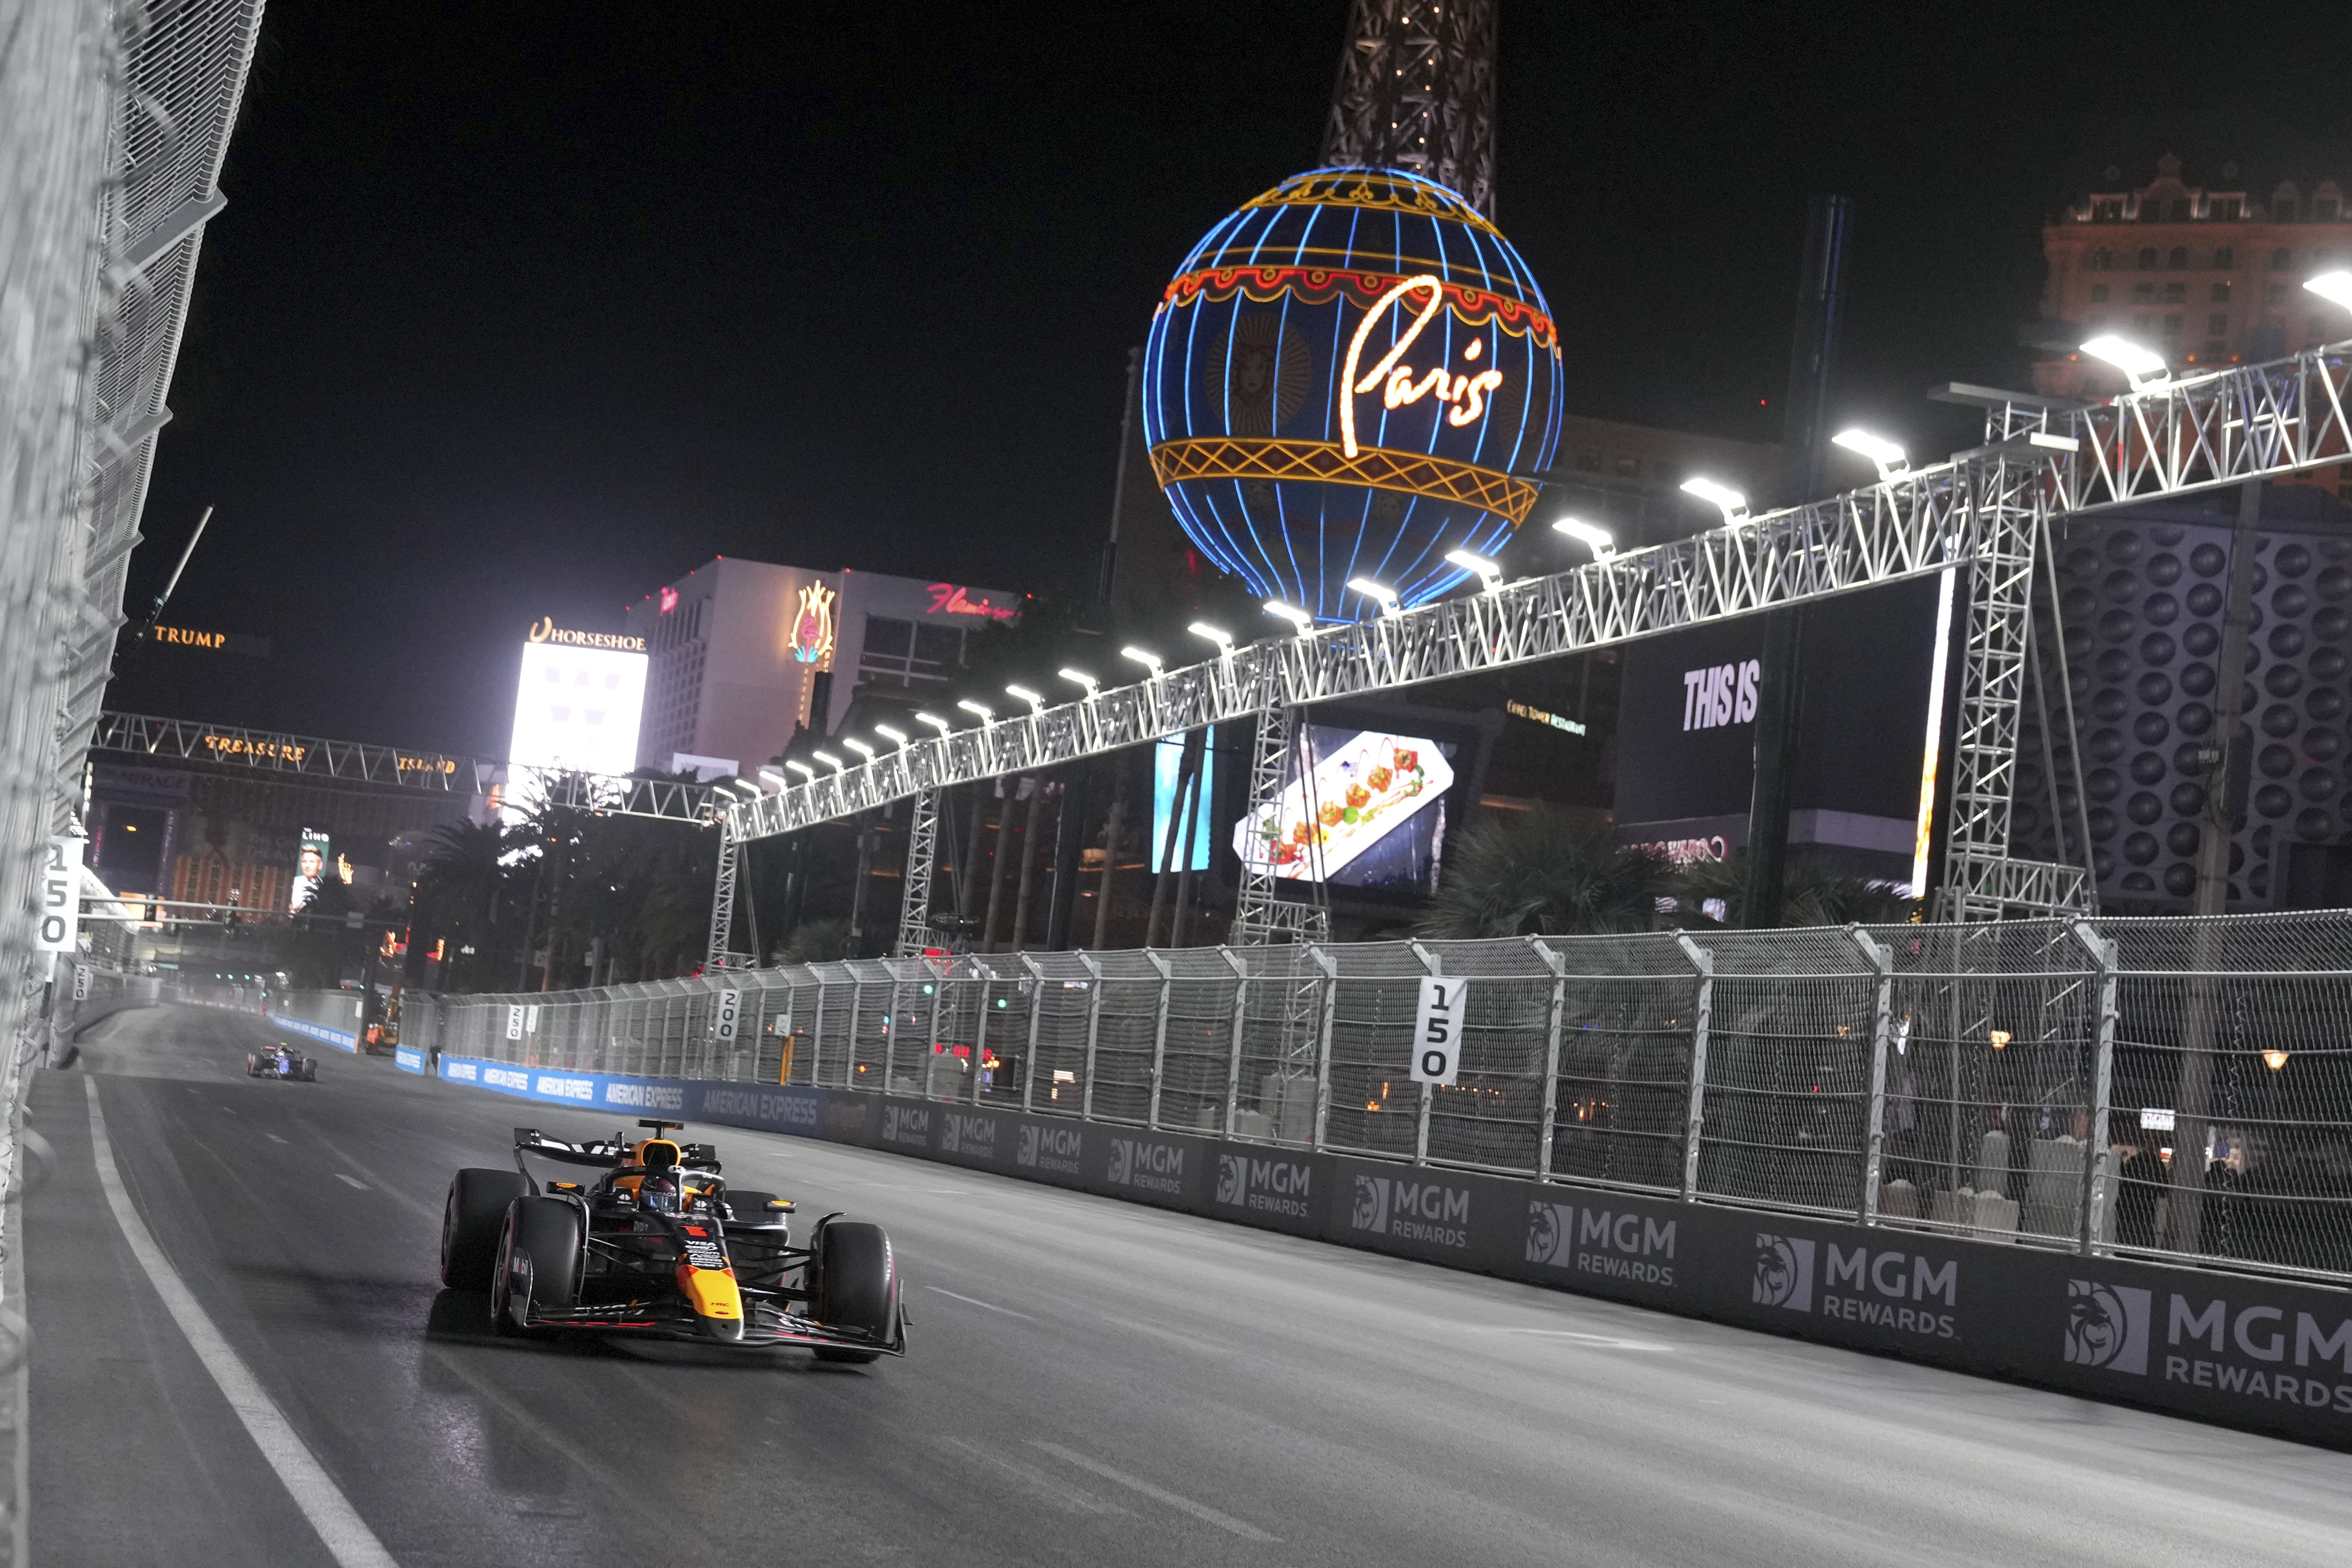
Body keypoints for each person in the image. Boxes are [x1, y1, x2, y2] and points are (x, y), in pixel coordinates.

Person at [2111, 1115, 2167, 1248]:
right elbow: (2164, 1191)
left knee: (2123, 1239)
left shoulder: (2131, 1166)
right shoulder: (2156, 1165)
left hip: (2126, 1212)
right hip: (2146, 1213)